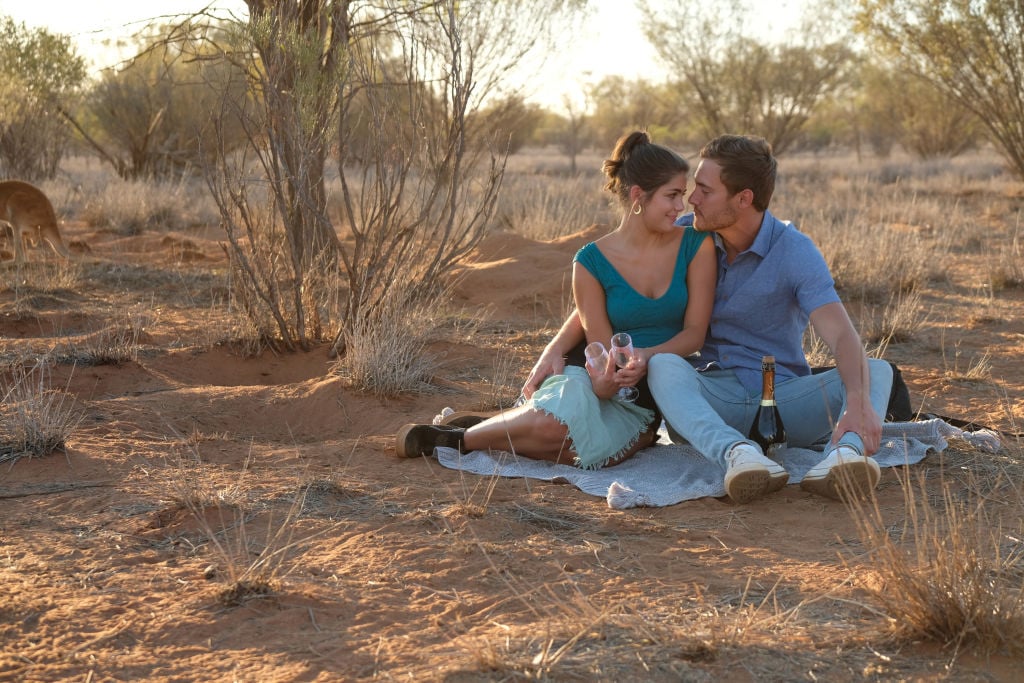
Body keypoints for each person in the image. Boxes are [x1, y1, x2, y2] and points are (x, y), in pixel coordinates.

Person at [522, 134, 893, 503]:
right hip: (707, 400)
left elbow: (841, 334)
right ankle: (737, 455)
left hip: (780, 399)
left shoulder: (795, 251)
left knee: (876, 371)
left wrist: (856, 400)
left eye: (704, 190)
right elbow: (612, 290)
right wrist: (555, 347)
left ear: (743, 199)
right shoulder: (686, 234)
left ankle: (845, 455)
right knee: (663, 364)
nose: (691, 199)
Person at [395, 131, 716, 468]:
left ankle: (498, 425)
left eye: (682, 195)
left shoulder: (696, 245)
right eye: (672, 196)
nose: (681, 206)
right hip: (589, 378)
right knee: (556, 430)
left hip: (645, 393)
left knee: (578, 454)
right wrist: (604, 382)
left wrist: (646, 357)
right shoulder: (590, 262)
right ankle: (454, 439)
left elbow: (694, 334)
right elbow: (601, 356)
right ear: (638, 195)